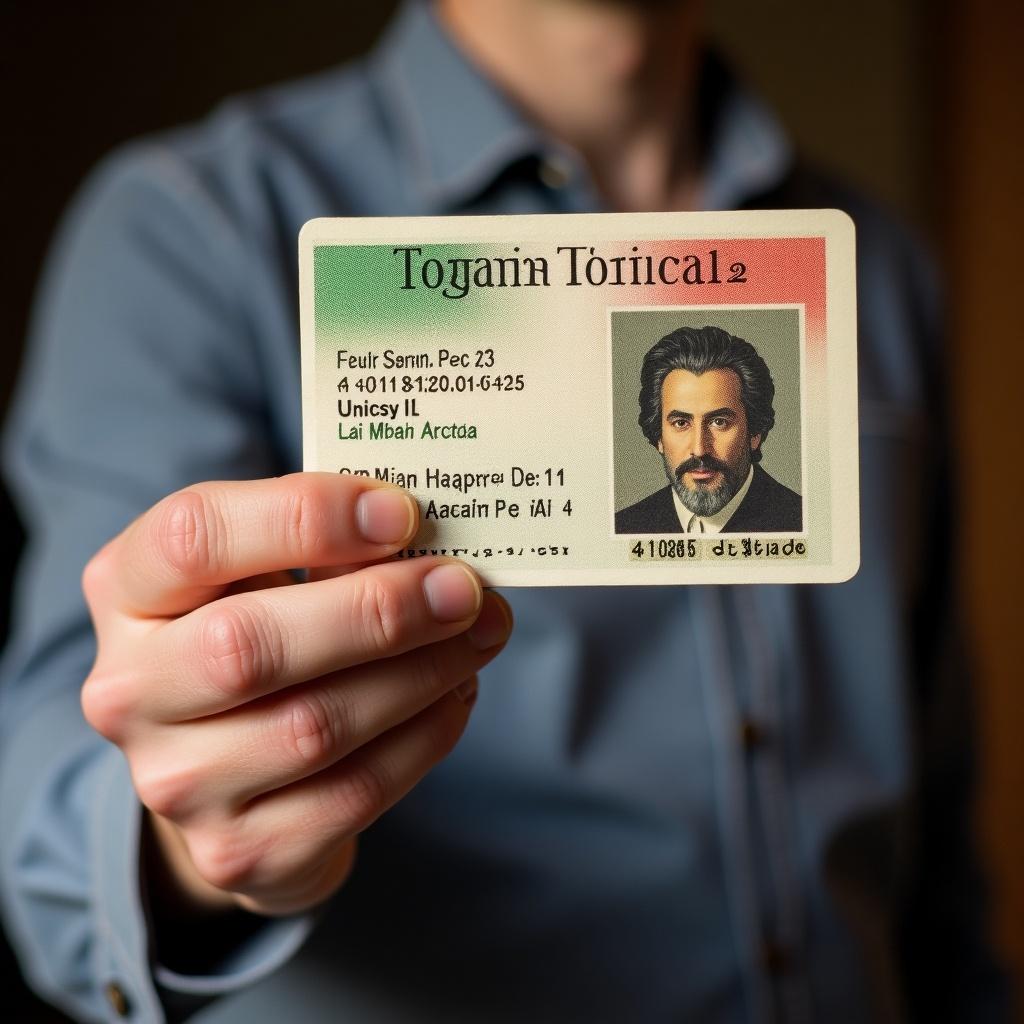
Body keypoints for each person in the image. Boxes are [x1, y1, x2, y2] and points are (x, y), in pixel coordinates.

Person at [0, 1, 1008, 1022]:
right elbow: (55, 827)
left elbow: (936, 841)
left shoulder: (880, 268)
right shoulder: (195, 229)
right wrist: (188, 838)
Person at [615, 325, 802, 535]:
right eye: (681, 423)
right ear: (659, 436)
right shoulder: (625, 527)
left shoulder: (801, 523)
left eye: (719, 422)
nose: (700, 449)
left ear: (755, 433)